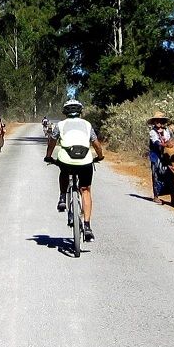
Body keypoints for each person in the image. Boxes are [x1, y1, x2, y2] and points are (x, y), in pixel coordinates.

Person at [44, 99, 105, 241]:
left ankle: (62, 198)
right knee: (86, 190)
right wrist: (100, 156)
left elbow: (52, 142)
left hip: (66, 160)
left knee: (63, 171)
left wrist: (48, 156)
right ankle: (87, 226)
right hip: (85, 161)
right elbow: (96, 144)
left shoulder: (60, 125)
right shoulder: (87, 125)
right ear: (80, 111)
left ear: (65, 112)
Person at [147, 112, 174, 205]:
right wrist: (165, 144)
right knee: (156, 175)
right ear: (154, 122)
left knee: (169, 175)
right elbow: (156, 142)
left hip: (165, 156)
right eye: (157, 121)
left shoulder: (166, 131)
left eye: (160, 121)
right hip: (155, 156)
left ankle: (173, 197)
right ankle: (156, 196)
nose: (158, 122)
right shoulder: (152, 132)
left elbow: (169, 140)